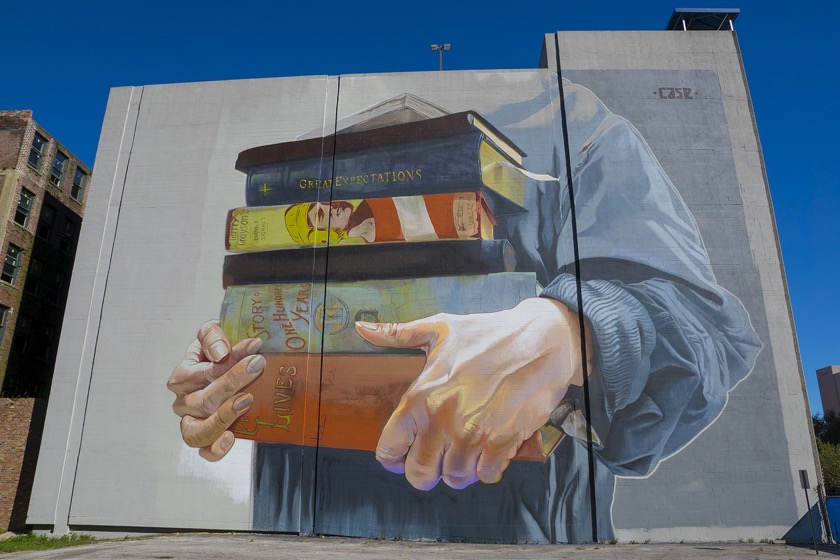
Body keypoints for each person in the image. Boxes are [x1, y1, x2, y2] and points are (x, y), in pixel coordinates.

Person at [167, 75, 762, 542]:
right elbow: (295, 322)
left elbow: (710, 337)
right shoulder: (301, 155)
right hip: (297, 534)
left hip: (509, 537)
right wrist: (224, 385)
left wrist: (571, 331)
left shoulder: (577, 131)